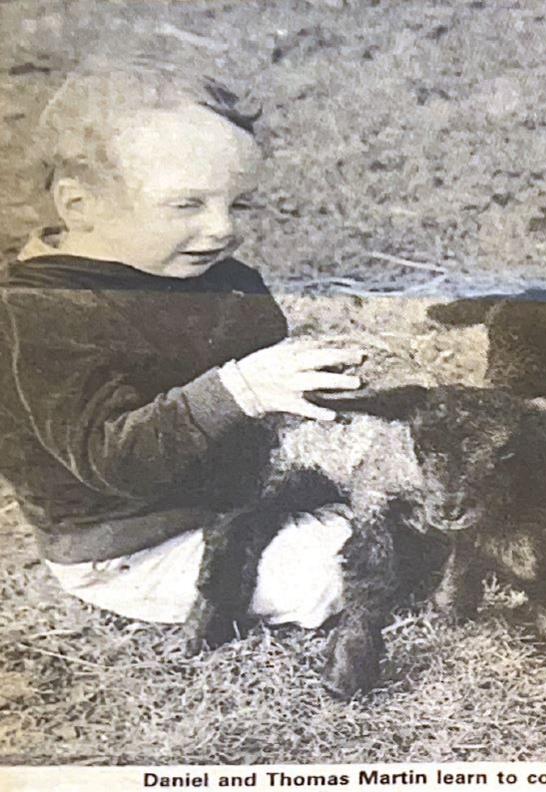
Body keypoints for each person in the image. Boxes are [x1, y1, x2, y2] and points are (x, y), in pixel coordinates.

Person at [0, 57, 365, 631]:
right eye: (187, 205)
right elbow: (112, 458)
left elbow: (261, 363)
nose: (222, 228)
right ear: (80, 206)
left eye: (235, 204)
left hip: (226, 496)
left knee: (405, 490)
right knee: (337, 570)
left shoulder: (201, 272)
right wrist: (241, 390)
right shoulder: (45, 314)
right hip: (133, 541)